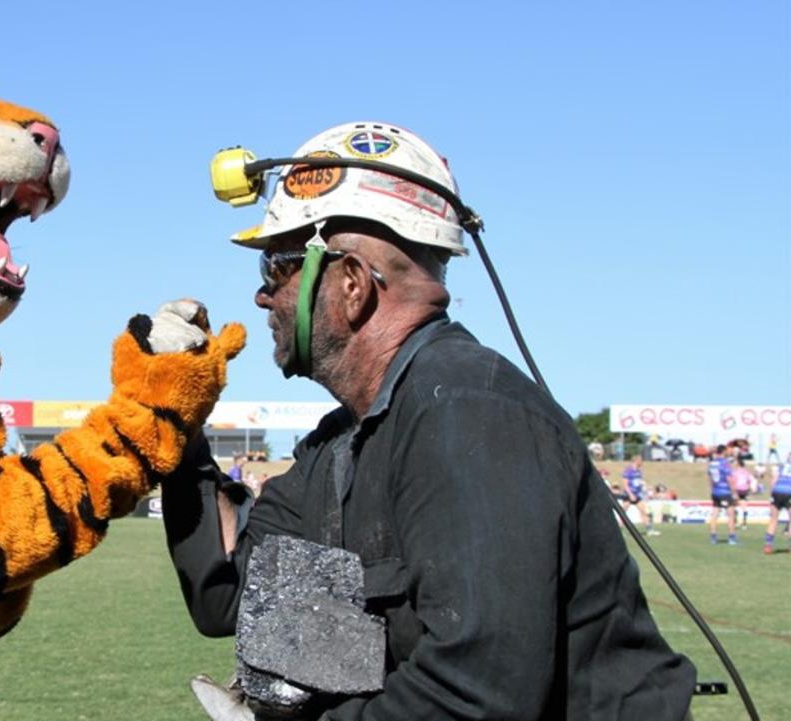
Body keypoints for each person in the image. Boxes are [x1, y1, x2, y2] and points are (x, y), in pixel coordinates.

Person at [163, 122, 694, 720]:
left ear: (351, 283)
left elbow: (477, 694)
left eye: (276, 271)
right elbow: (229, 595)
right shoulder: (339, 445)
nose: (263, 299)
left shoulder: (471, 415)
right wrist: (176, 423)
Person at [706, 444, 738, 545]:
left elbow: (710, 478)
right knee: (731, 514)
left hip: (715, 491)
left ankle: (713, 536)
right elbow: (729, 478)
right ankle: (732, 538)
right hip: (725, 491)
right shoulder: (725, 463)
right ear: (724, 451)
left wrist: (712, 489)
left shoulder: (712, 463)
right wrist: (734, 492)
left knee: (715, 513)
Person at [621, 456, 659, 535]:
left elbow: (640, 482)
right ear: (636, 461)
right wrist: (630, 494)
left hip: (637, 495)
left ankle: (649, 530)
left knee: (643, 512)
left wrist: (647, 489)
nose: (642, 462)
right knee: (623, 513)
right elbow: (625, 485)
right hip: (629, 495)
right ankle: (618, 531)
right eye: (641, 461)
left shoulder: (639, 471)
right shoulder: (628, 471)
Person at [766, 460, 791, 555]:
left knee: (773, 519)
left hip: (777, 492)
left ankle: (768, 545)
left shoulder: (782, 466)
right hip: (789, 492)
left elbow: (774, 479)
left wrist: (771, 494)